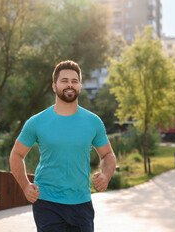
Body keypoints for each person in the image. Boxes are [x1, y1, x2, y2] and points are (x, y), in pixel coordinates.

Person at [10, 60, 116, 232]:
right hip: (47, 203)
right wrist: (25, 185)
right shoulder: (37, 122)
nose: (70, 85)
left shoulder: (93, 122)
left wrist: (106, 175)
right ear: (54, 86)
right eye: (64, 80)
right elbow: (16, 154)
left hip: (81, 203)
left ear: (80, 86)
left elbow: (108, 155)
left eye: (74, 81)